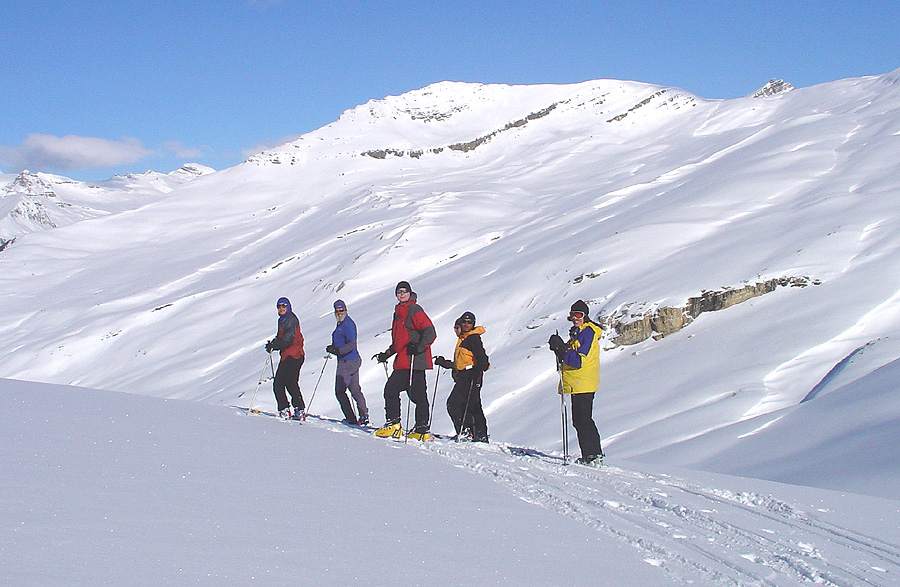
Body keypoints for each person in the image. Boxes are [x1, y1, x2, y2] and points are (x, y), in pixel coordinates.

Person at [372, 281, 437, 440]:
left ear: (410, 293)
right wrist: (387, 354)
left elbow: (430, 331)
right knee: (418, 395)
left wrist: (419, 347)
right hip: (406, 360)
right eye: (399, 292)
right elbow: (399, 341)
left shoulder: (414, 309)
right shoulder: (399, 312)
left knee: (391, 390)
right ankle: (421, 429)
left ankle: (394, 425)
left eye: (404, 291)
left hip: (413, 361)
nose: (401, 294)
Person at [548, 300, 604, 466]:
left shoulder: (587, 333)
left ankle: (592, 455)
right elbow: (568, 356)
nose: (575, 318)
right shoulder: (578, 333)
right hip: (578, 382)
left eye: (579, 315)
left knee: (583, 419)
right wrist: (559, 349)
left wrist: (562, 349)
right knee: (580, 419)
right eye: (573, 315)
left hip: (583, 381)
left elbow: (578, 360)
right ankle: (591, 455)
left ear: (585, 316)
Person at [435, 311, 490, 442]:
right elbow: (461, 363)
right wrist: (445, 363)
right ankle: (475, 433)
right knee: (470, 405)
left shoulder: (472, 338)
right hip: (466, 376)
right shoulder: (464, 339)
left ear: (473, 324)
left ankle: (469, 432)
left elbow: (483, 360)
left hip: (470, 376)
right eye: (464, 322)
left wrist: (476, 372)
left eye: (469, 322)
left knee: (456, 404)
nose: (466, 324)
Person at [326, 299, 369, 426]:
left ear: (345, 310)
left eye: (341, 310)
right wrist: (334, 348)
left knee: (340, 391)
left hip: (347, 361)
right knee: (355, 389)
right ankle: (363, 415)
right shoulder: (342, 324)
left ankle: (351, 418)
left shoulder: (348, 324)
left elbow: (351, 344)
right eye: (337, 311)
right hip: (352, 360)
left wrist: (337, 350)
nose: (339, 313)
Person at [265, 297, 306, 420]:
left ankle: (284, 409)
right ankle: (299, 409)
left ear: (288, 307)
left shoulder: (290, 319)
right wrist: (274, 343)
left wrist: (275, 345)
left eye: (284, 306)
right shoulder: (283, 320)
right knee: (291, 383)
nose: (281, 308)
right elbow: (283, 337)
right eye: (279, 306)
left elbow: (288, 339)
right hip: (293, 355)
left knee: (278, 383)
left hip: (292, 355)